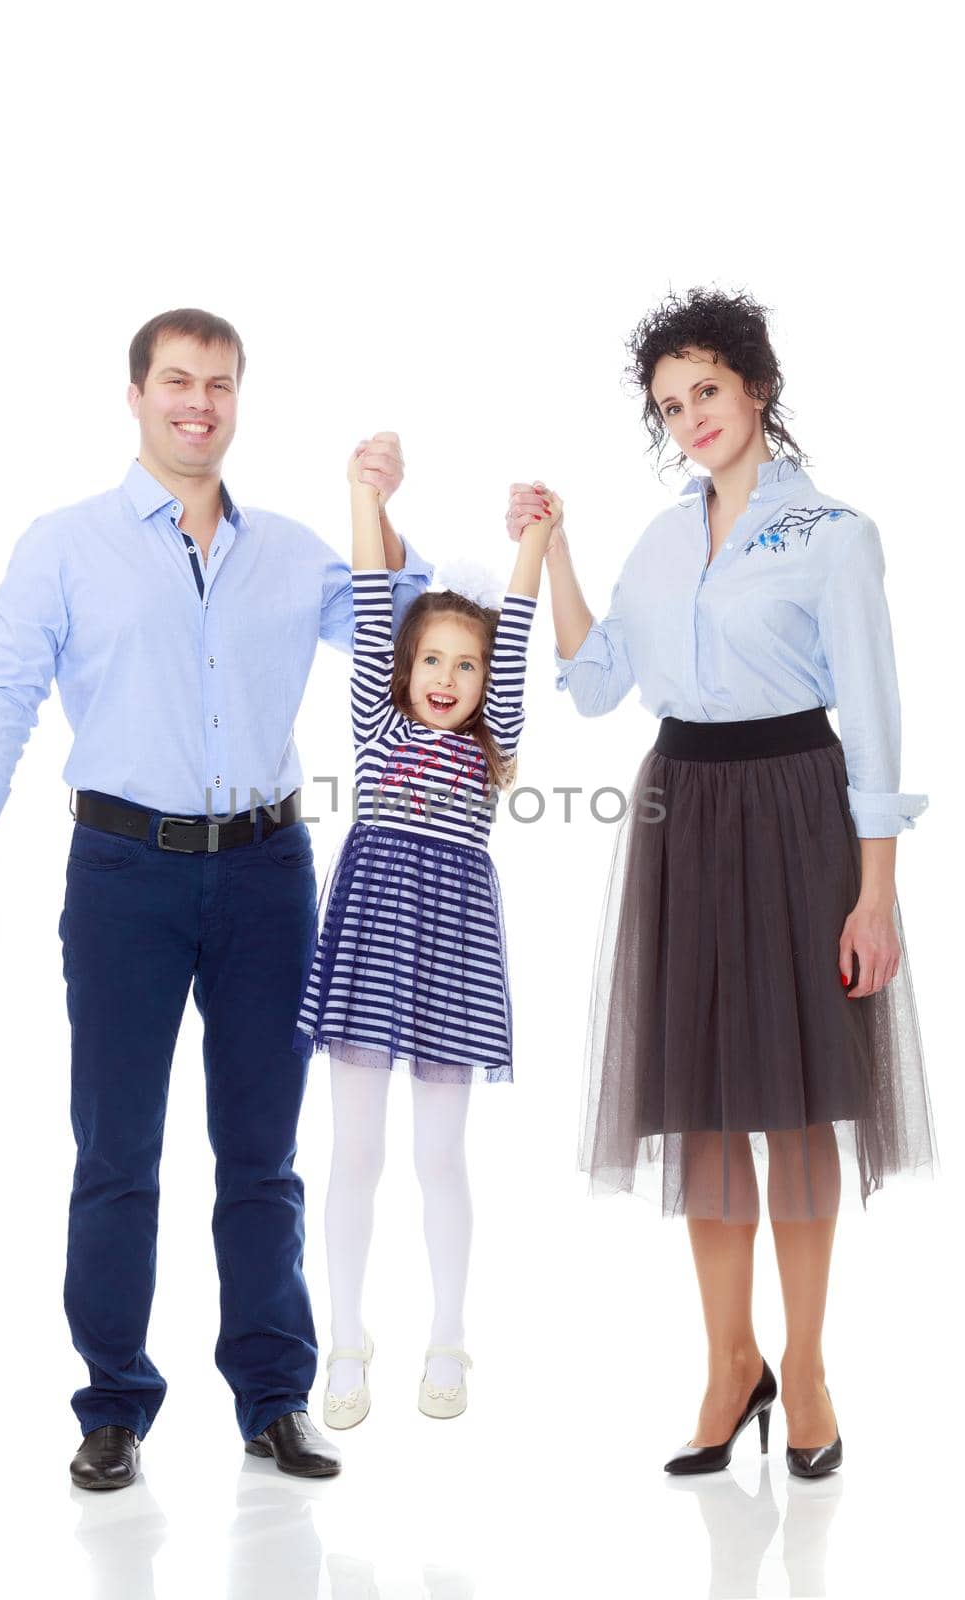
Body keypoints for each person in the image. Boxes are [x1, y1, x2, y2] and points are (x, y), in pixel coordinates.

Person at [0, 307, 432, 1488]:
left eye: (218, 383)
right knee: (117, 1151)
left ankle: (273, 1397)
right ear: (136, 395)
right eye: (175, 381)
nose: (196, 401)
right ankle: (112, 1404)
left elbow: (403, 631)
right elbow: (1, 698)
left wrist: (379, 505)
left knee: (261, 1152)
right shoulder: (64, 545)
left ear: (238, 400)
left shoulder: (297, 549)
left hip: (266, 875)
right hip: (123, 877)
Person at [508, 286, 936, 1479]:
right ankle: (725, 1364)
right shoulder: (658, 537)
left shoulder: (834, 534)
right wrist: (555, 553)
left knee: (797, 1108)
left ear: (755, 386)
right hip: (682, 811)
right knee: (698, 1109)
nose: (689, 416)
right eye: (668, 404)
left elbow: (880, 723)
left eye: (705, 390)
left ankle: (803, 1370)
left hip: (797, 808)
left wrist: (873, 892)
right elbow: (595, 686)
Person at [294, 444, 556, 1426]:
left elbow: (520, 631)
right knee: (353, 1152)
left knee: (439, 1158)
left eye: (468, 663)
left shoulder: (494, 741)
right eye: (432, 661)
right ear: (403, 670)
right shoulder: (376, 723)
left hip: (451, 945)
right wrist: (363, 492)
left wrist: (531, 537)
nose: (448, 678)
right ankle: (345, 1340)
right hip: (367, 939)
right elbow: (370, 594)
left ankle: (447, 1338)